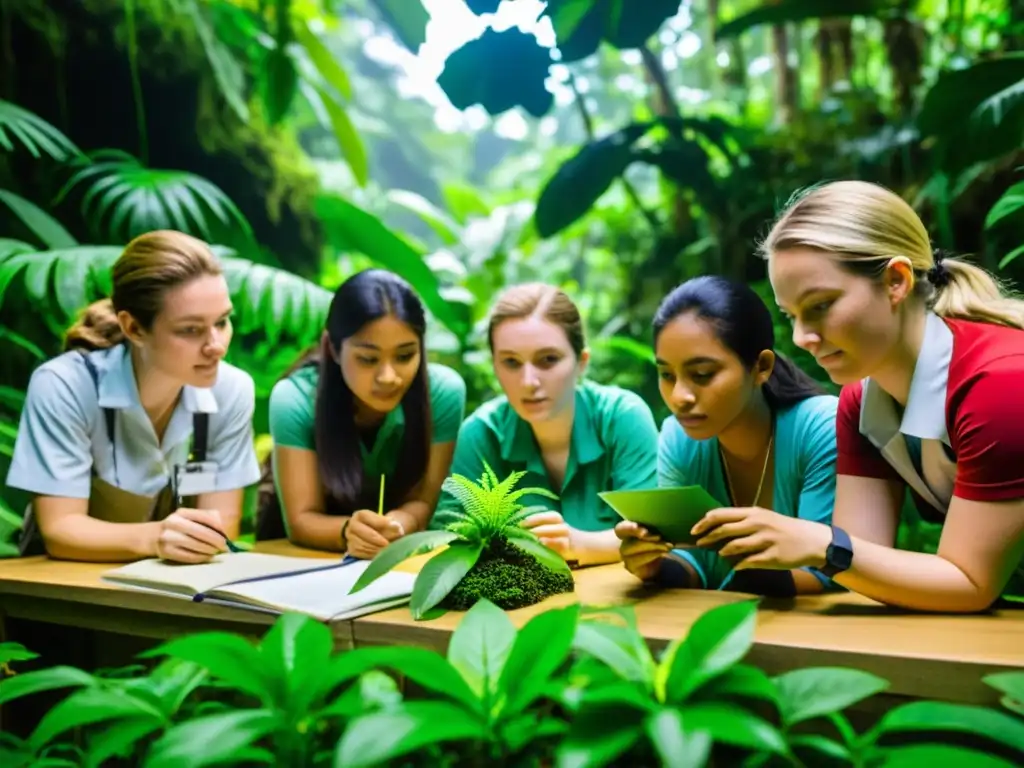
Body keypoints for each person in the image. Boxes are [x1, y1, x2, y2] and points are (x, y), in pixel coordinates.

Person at [691, 180, 1024, 612]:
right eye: (791, 315)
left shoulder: (1000, 385)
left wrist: (821, 543)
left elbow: (967, 582)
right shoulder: (861, 403)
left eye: (820, 305)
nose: (802, 337)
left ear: (896, 281)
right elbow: (863, 562)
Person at [6, 230, 261, 563]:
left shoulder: (231, 390)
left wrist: (190, 540)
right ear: (135, 329)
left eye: (223, 322)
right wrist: (156, 538)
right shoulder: (65, 385)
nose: (216, 345)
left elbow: (221, 523)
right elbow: (61, 529)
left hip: (173, 584)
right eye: (190, 329)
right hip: (65, 583)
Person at [615, 276, 840, 596]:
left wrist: (749, 578)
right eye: (667, 375)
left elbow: (828, 568)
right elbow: (694, 558)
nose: (680, 396)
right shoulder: (678, 438)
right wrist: (655, 566)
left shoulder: (819, 428)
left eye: (702, 374)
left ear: (761, 366)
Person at [434, 283, 660, 567]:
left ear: (582, 362)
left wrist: (575, 545)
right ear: (494, 366)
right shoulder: (481, 433)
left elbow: (653, 537)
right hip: (517, 604)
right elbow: (448, 537)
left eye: (548, 360)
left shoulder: (623, 417)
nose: (529, 382)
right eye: (511, 362)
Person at [266, 269, 466, 557]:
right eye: (368, 359)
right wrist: (348, 531)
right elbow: (301, 520)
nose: (388, 377)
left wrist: (401, 522)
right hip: (308, 561)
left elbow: (425, 499)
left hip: (401, 560)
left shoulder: (443, 393)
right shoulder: (295, 399)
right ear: (333, 349)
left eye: (405, 356)